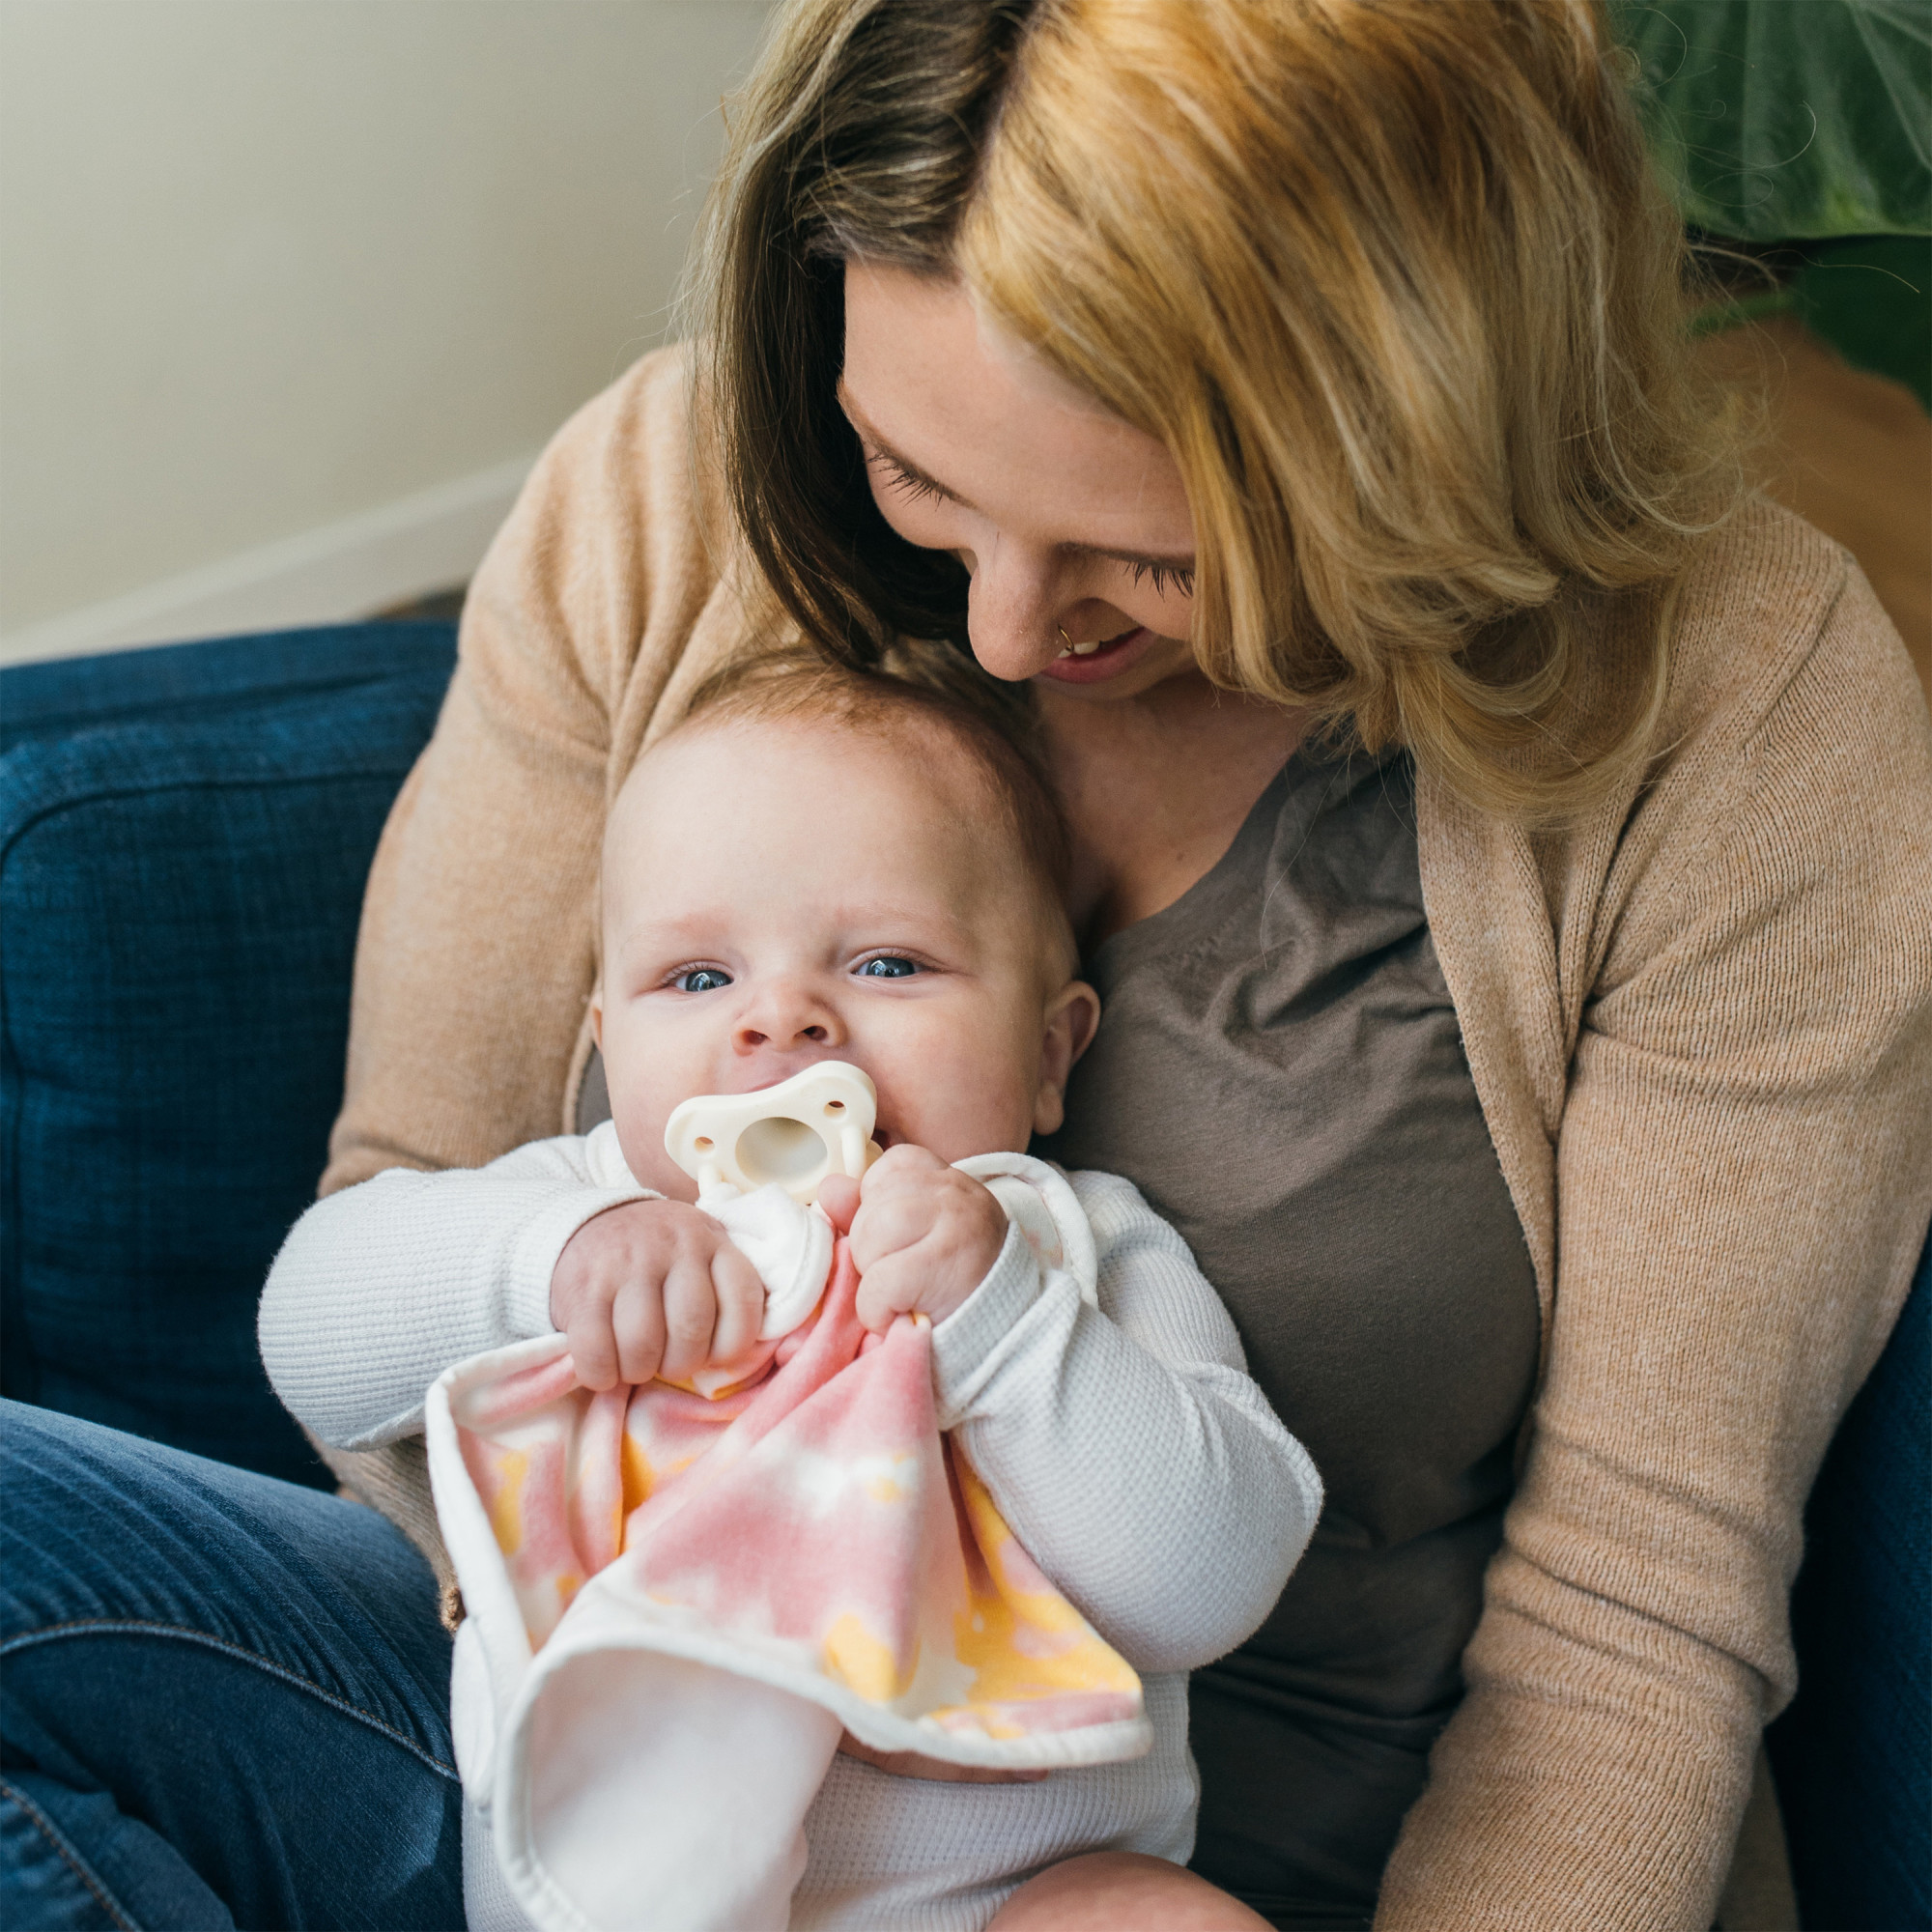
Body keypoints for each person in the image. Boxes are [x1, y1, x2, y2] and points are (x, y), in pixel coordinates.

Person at [3, 2, 1928, 1928]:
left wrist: (994, 1366)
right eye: (912, 474)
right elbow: (378, 1265)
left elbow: (1625, 1633)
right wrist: (664, 1655)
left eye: (1154, 556)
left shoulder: (1734, 715)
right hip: (578, 1783)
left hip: (1118, 1864)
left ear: (1410, 448)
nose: (1003, 636)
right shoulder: (665, 504)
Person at [259, 662, 1321, 1930]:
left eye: (887, 963)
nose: (783, 1022)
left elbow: (1204, 1588)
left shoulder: (1073, 1248)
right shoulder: (580, 1211)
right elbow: (308, 1332)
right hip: (634, 1885)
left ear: (1049, 1054)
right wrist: (548, 1258)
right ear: (607, 1039)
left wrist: (1005, 1326)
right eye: (698, 979)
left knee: (1154, 1918)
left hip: (1010, 1896)